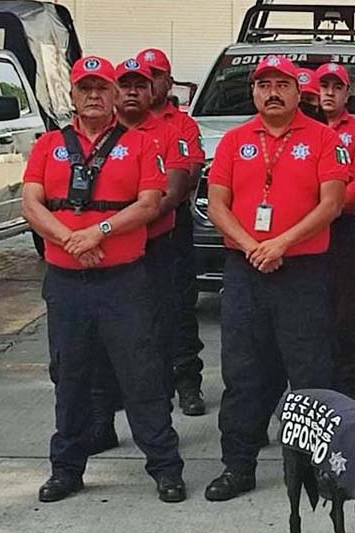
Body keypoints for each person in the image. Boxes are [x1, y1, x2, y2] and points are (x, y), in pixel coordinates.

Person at [21, 56, 185, 503]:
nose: (94, 96)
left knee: (142, 376)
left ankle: (166, 468)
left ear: (116, 96)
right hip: (67, 283)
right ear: (72, 96)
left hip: (123, 282)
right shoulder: (48, 145)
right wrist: (69, 238)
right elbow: (31, 204)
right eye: (84, 88)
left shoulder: (138, 145)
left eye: (102, 88)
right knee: (70, 376)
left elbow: (150, 203)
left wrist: (99, 231)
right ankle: (66, 470)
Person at [203, 55, 348, 501]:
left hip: (302, 272)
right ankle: (238, 465)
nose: (272, 92)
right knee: (244, 371)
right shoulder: (233, 140)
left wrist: (280, 244)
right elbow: (216, 205)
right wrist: (253, 246)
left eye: (281, 84)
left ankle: (319, 468)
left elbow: (332, 204)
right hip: (247, 270)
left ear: (297, 89)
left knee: (310, 373)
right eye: (263, 84)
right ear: (253, 92)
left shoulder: (324, 139)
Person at [86, 58, 194, 452]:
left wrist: (122, 223)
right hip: (103, 257)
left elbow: (174, 192)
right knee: (99, 342)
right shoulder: (93, 137)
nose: (132, 91)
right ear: (115, 93)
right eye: (124, 84)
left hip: (153, 252)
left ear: (153, 92)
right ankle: (101, 425)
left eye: (140, 84)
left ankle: (157, 426)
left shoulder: (167, 134)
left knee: (155, 339)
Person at [137, 48, 207, 416]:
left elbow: (187, 177)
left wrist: (144, 207)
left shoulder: (182, 126)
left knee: (179, 310)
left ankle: (187, 383)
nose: (148, 83)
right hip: (128, 235)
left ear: (168, 80)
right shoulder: (124, 121)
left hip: (171, 231)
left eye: (156, 75)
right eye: (141, 77)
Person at [317, 62, 355, 400]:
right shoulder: (304, 128)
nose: (329, 92)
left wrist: (329, 207)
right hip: (303, 233)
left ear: (347, 93)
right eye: (323, 86)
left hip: (339, 229)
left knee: (343, 315)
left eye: (336, 87)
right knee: (310, 313)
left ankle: (348, 392)